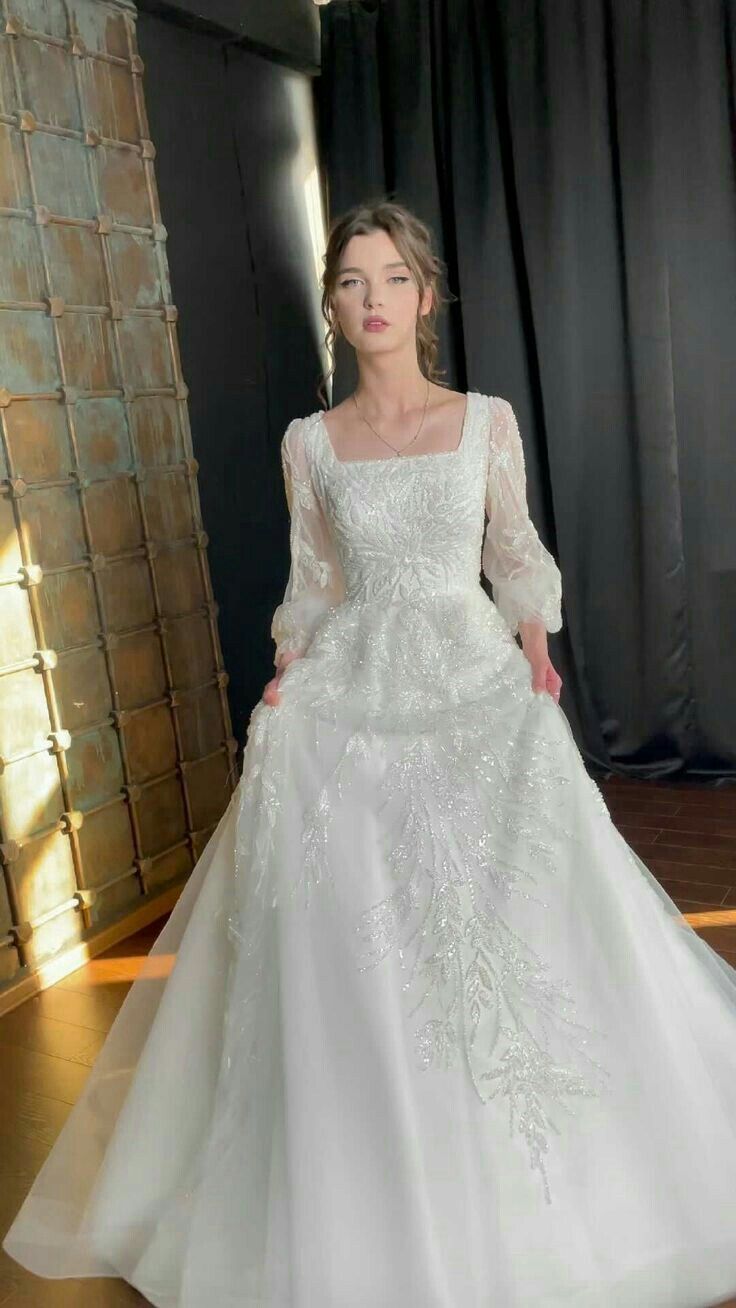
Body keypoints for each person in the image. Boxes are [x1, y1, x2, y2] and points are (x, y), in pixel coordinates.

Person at [4, 199, 736, 1308]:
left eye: (391, 278)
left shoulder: (484, 419)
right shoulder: (311, 440)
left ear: (425, 296)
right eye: (350, 282)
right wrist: (288, 673)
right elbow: (315, 583)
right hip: (350, 684)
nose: (372, 300)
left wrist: (536, 650)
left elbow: (514, 550)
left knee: (506, 920)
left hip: (468, 675)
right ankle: (369, 1149)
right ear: (334, 307)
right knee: (350, 921)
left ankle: (518, 1155)